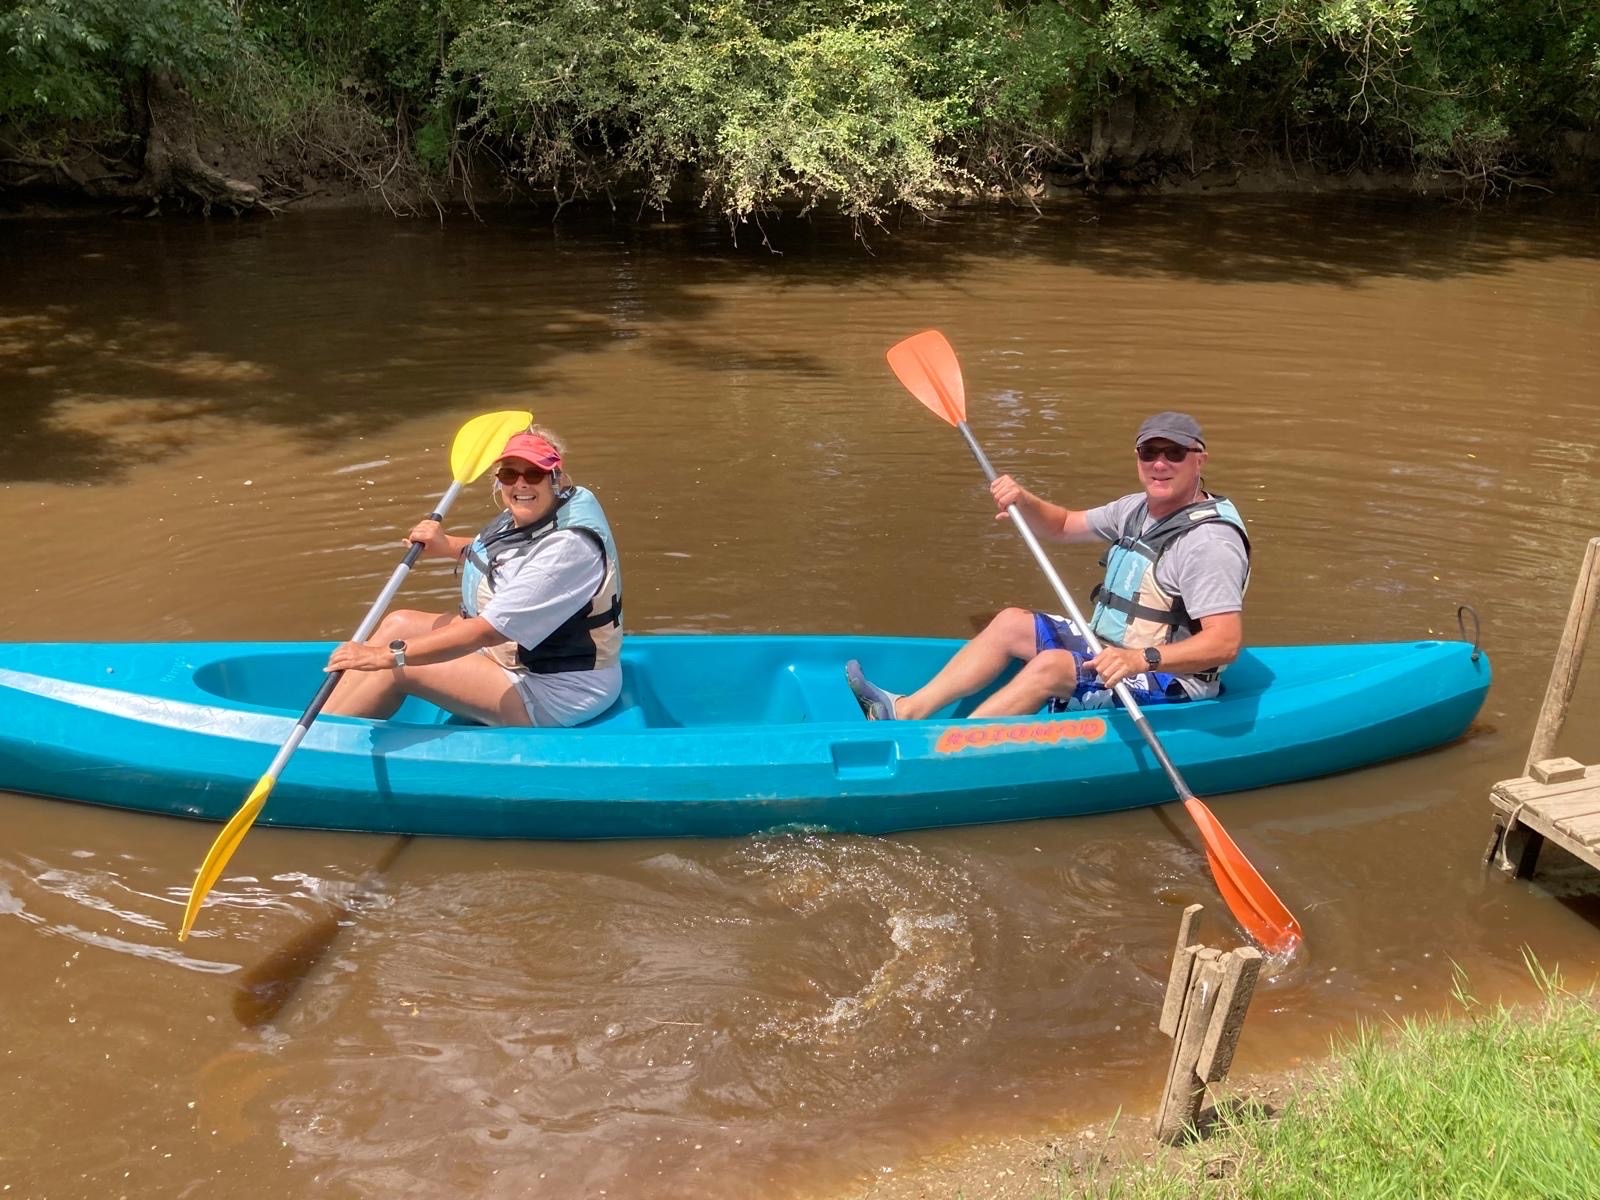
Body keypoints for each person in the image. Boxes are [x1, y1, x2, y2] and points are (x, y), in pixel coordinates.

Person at [845, 411, 1249, 720]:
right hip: (1111, 652)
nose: (1160, 464)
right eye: (1150, 453)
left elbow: (1224, 643)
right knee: (1009, 622)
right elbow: (1063, 525)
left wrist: (1139, 659)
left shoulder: (1208, 543)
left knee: (1052, 666)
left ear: (1199, 460)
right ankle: (907, 710)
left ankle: (951, 747)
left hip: (1173, 679)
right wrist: (1024, 500)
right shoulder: (1136, 509)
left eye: (1174, 453)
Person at [323, 426, 623, 727]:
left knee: (398, 666)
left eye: (534, 474)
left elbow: (486, 631)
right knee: (398, 623)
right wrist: (447, 546)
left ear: (555, 477)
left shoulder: (568, 548)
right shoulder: (547, 508)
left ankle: (322, 740)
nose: (521, 484)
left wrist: (383, 656)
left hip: (555, 692)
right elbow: (511, 557)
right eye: (509, 474)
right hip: (513, 652)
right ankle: (325, 721)